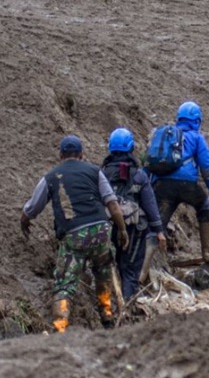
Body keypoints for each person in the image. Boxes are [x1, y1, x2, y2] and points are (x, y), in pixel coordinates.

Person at [20, 135, 128, 332]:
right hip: (101, 230)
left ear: (61, 155)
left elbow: (32, 208)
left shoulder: (51, 177)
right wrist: (121, 230)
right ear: (81, 155)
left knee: (65, 283)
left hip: (73, 234)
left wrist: (24, 222)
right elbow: (112, 204)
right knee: (103, 272)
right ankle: (107, 316)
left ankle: (60, 326)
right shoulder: (95, 172)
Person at [152, 101, 209, 263]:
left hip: (163, 186)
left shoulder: (167, 136)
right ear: (197, 121)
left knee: (157, 226)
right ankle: (207, 253)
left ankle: (143, 271)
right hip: (187, 186)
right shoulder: (197, 137)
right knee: (204, 205)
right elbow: (208, 170)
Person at [101, 128, 168, 301]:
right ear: (131, 148)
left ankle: (111, 306)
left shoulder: (102, 174)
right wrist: (159, 231)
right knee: (130, 270)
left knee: (108, 267)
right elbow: (150, 204)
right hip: (134, 230)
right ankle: (128, 308)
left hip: (107, 227)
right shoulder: (139, 175)